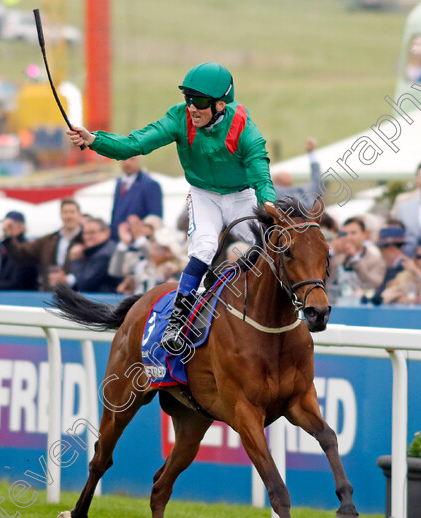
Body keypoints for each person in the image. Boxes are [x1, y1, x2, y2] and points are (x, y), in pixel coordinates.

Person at [67, 62, 276, 352]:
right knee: (203, 249)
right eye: (188, 99)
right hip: (204, 195)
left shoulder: (245, 129)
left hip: (241, 196)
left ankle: (285, 308)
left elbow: (261, 176)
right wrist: (93, 139)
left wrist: (270, 207)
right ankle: (177, 322)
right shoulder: (179, 118)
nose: (192, 107)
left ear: (220, 104)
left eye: (200, 101)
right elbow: (134, 144)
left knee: (270, 247)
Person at [4, 199, 84, 291]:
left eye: (72, 212)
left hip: (80, 297)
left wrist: (69, 279)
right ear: (61, 215)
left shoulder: (88, 240)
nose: (68, 216)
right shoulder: (48, 241)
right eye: (65, 212)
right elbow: (22, 253)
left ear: (79, 215)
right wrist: (9, 238)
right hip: (51, 295)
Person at [49, 217, 120, 293]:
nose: (87, 237)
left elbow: (84, 284)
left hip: (103, 301)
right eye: (85, 233)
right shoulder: (101, 249)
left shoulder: (104, 254)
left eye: (92, 232)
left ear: (106, 233)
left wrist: (75, 259)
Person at [109, 156, 163, 241]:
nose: (127, 162)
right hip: (117, 240)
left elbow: (155, 218)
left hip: (138, 242)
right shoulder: (119, 183)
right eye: (124, 158)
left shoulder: (151, 184)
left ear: (139, 158)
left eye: (132, 159)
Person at [0, 211, 39, 291]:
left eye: (10, 226)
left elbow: (18, 282)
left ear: (21, 227)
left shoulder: (25, 250)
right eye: (5, 226)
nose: (5, 229)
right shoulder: (5, 248)